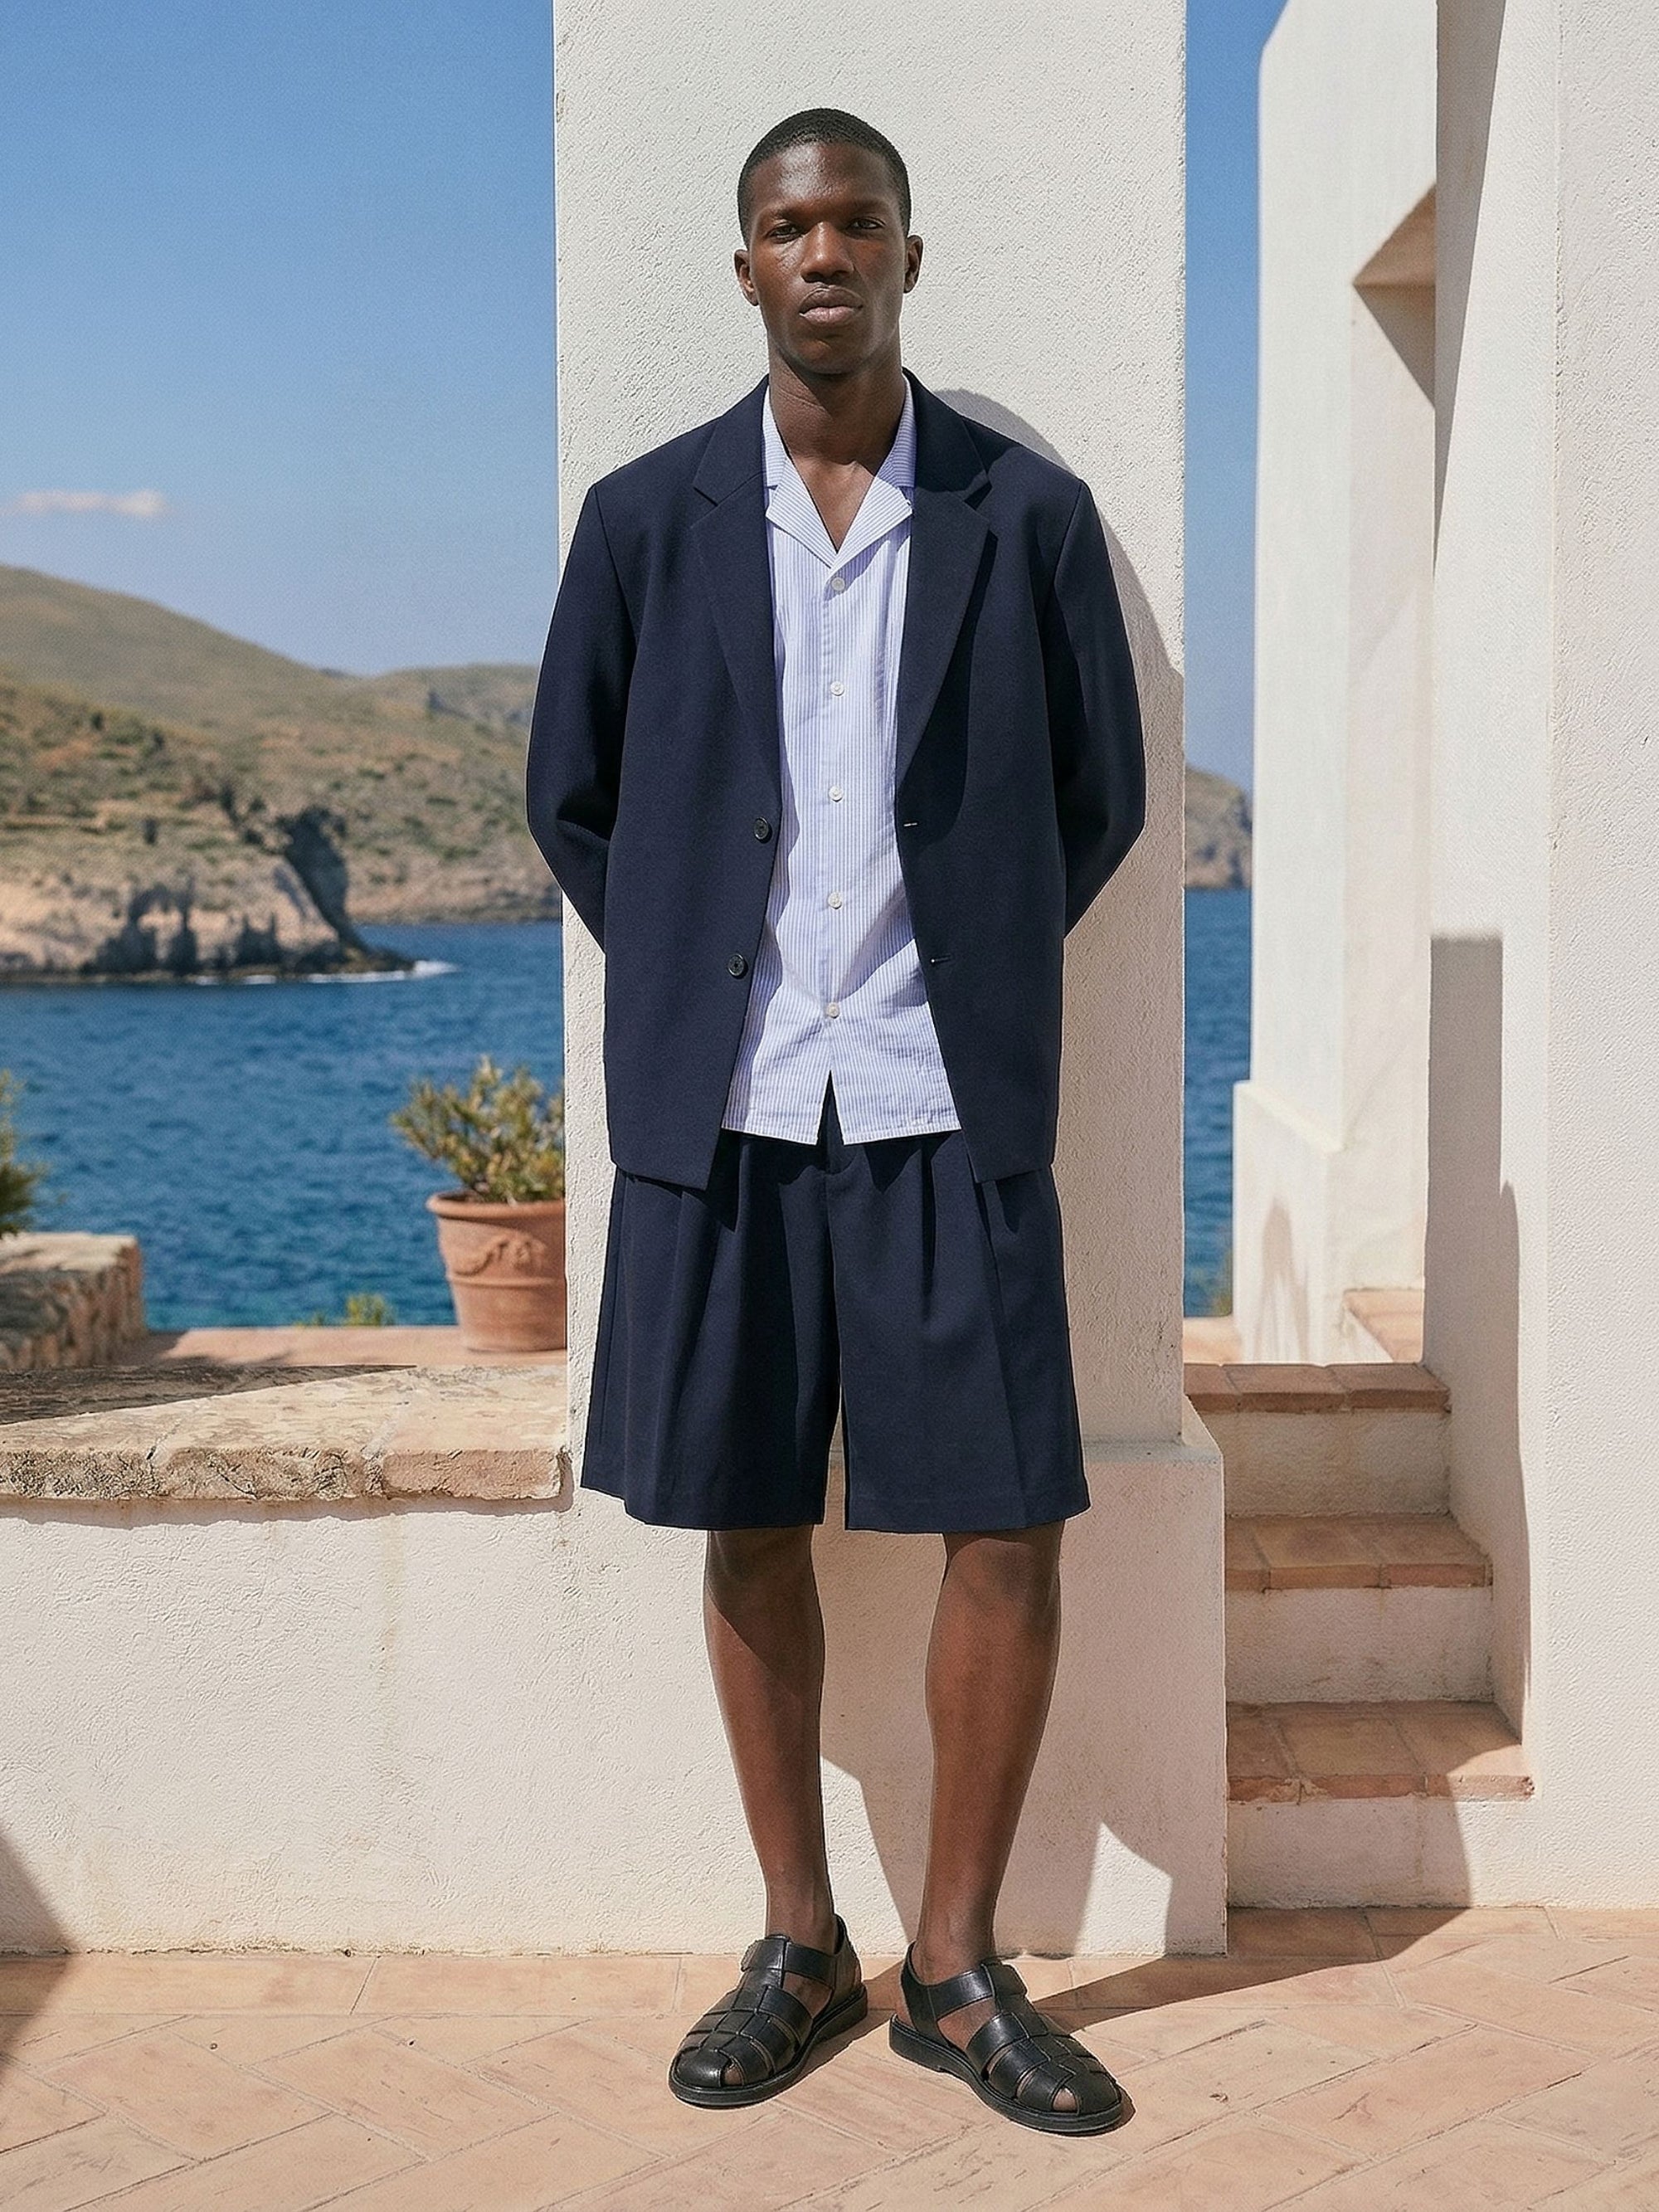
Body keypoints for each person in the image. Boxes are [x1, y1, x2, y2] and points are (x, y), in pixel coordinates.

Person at [526, 105, 1146, 2137]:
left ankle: (955, 1966)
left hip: (943, 1093)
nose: (823, 253)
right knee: (743, 1505)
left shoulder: (1022, 517)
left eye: (855, 221)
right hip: (721, 1106)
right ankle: (798, 1941)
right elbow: (571, 793)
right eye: (789, 225)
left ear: (904, 255)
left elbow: (1095, 797)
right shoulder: (645, 518)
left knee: (1007, 1515)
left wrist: (962, 955)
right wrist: (701, 961)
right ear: (746, 266)